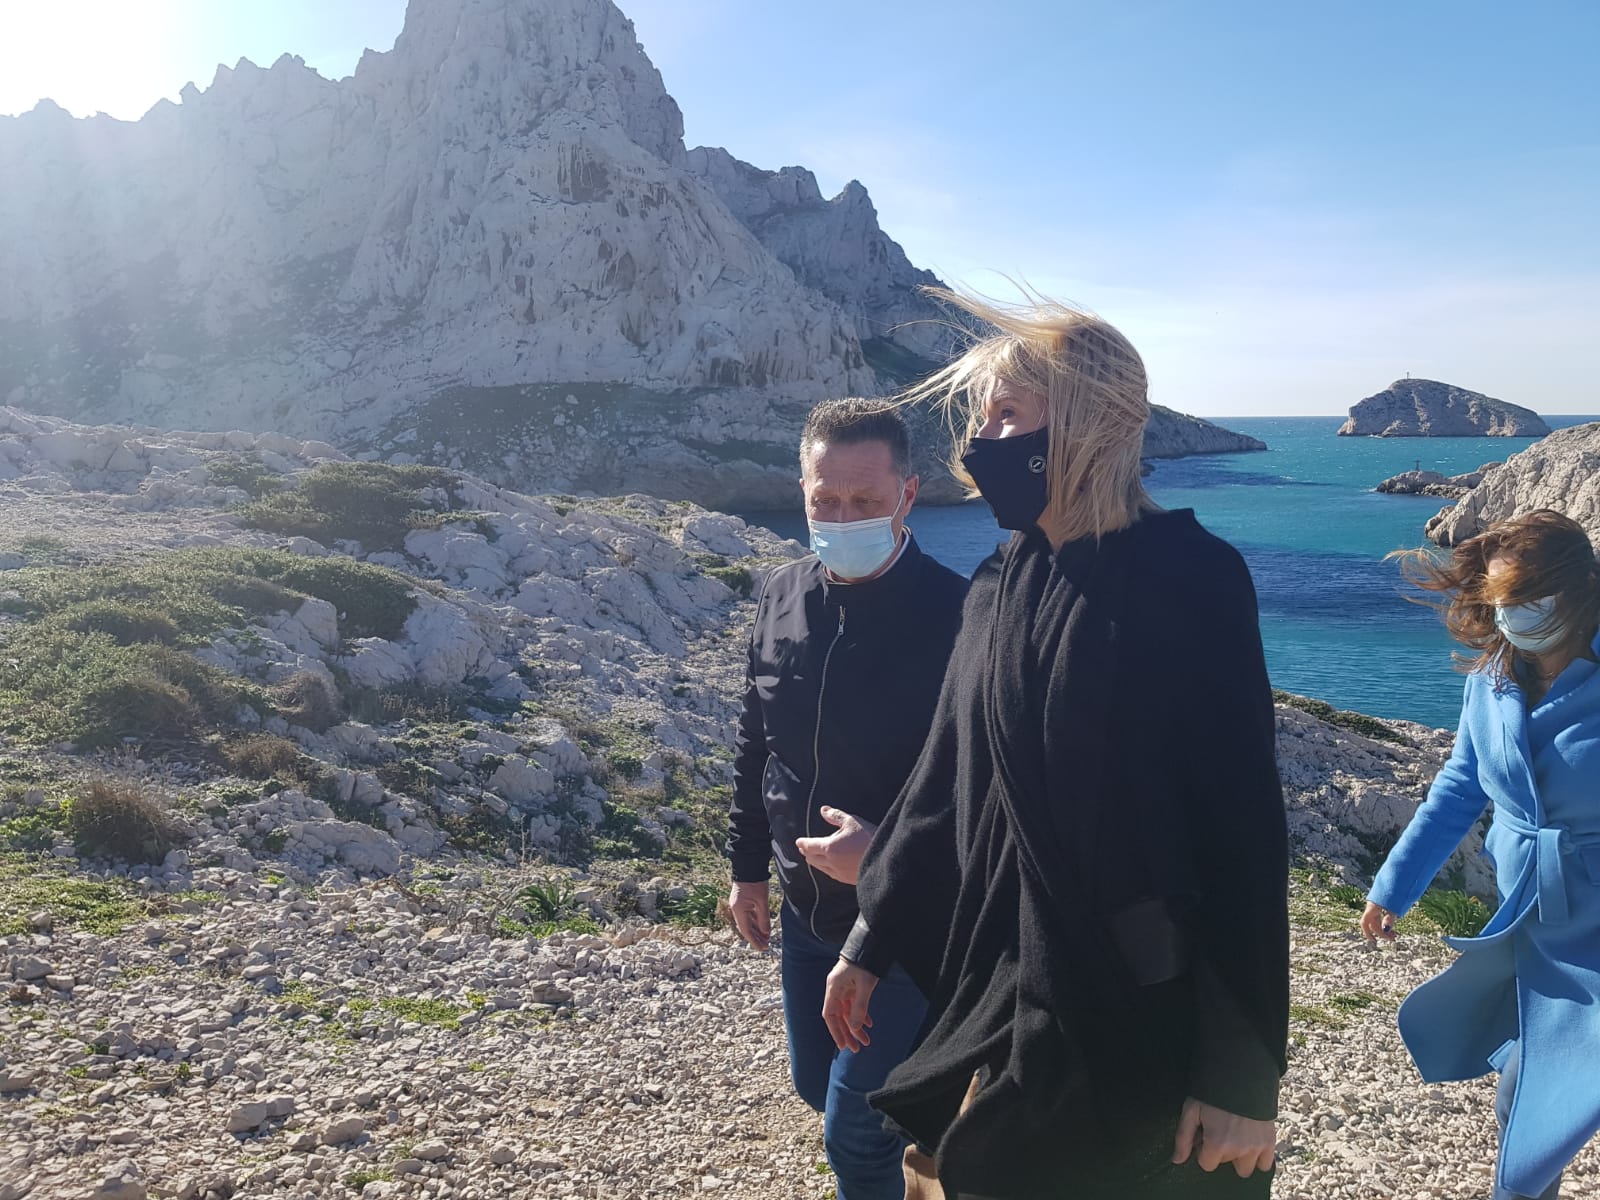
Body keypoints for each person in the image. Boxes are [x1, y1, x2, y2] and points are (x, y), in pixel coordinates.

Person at [821, 292, 1289, 1199]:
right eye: (983, 415)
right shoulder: (1001, 580)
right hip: (999, 994)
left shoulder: (1190, 579)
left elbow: (1241, 828)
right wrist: (871, 940)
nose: (981, 442)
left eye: (1008, 415)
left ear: (1090, 423)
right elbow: (946, 783)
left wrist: (1240, 1075)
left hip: (1144, 1020)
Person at [727, 397, 969, 1200]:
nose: (842, 516)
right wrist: (747, 870)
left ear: (908, 494)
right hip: (806, 913)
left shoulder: (960, 616)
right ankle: (934, 1149)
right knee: (814, 1082)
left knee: (854, 1130)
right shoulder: (781, 596)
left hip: (909, 921)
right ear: (802, 490)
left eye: (865, 501)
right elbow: (757, 747)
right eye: (824, 500)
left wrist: (886, 862)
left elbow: (976, 791)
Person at [1361, 509, 1600, 1200]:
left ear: (1578, 589)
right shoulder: (1491, 682)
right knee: (1527, 1088)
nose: (1511, 619)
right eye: (1498, 604)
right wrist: (1393, 886)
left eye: (1528, 602)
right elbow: (1458, 790)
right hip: (1528, 918)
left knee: (1558, 1083)